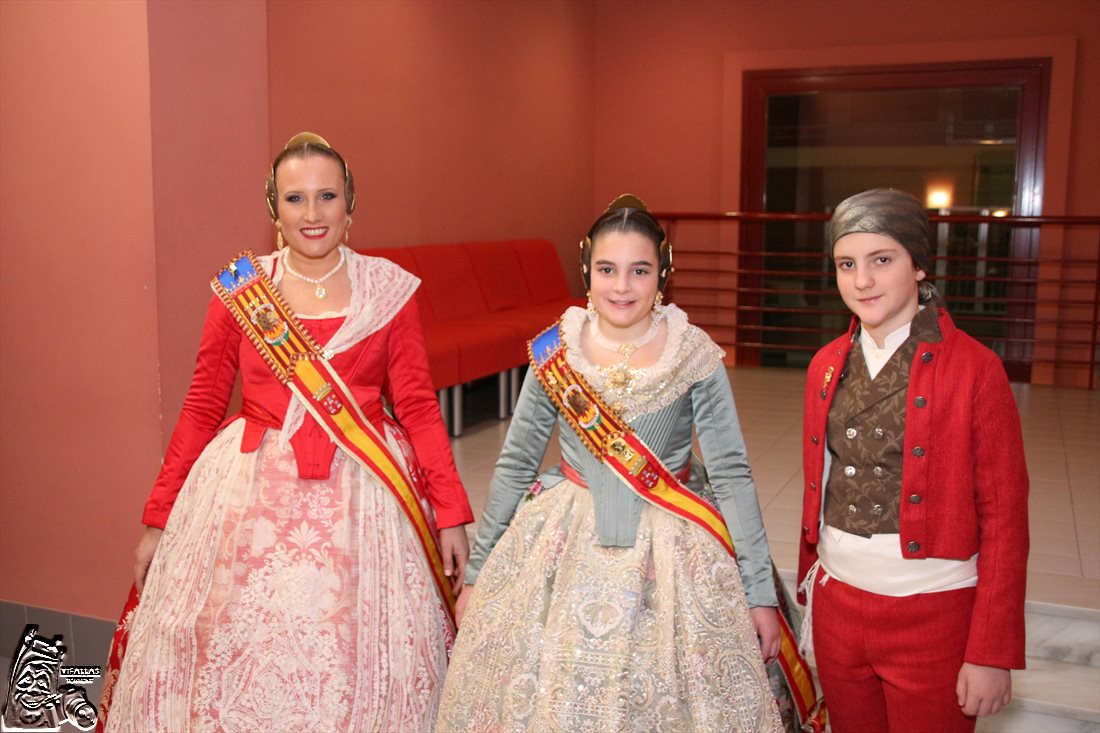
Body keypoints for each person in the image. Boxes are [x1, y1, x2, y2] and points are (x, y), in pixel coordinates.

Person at [99, 132, 472, 732]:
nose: (313, 213)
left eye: (327, 196)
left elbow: (421, 407)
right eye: (295, 199)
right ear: (274, 209)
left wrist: (451, 511)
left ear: (351, 204)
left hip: (367, 496)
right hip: (250, 494)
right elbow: (200, 407)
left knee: (353, 638)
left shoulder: (389, 291)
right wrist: (158, 518)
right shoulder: (242, 292)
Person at [435, 195, 789, 733]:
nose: (621, 286)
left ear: (662, 274)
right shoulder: (555, 353)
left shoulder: (692, 353)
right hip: (566, 540)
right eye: (607, 269)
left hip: (673, 549)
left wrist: (759, 591)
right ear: (587, 270)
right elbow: (515, 463)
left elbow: (733, 474)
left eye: (639, 270)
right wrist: (480, 573)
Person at [798, 188, 1029, 733]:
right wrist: (811, 603)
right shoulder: (826, 365)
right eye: (846, 264)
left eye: (883, 260)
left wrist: (991, 650)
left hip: (933, 617)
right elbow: (819, 488)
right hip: (839, 610)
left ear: (920, 265)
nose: (863, 281)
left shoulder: (975, 369)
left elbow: (1005, 516)